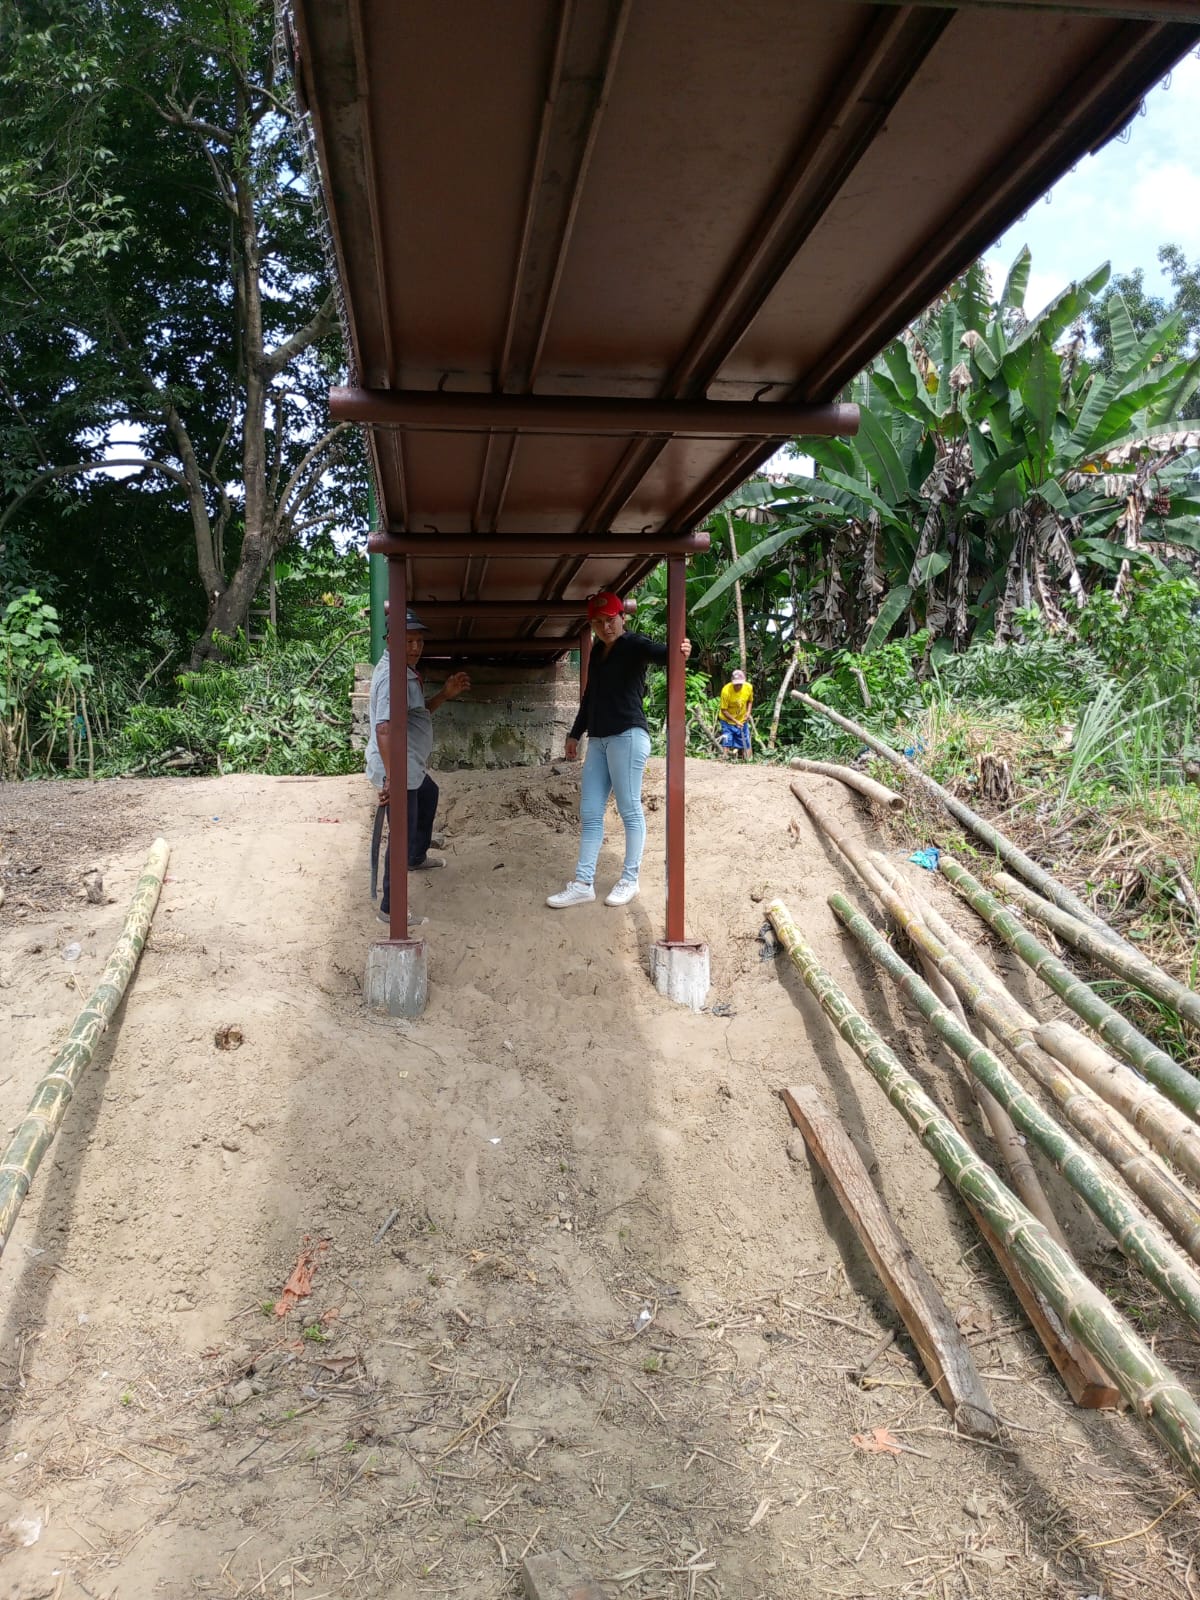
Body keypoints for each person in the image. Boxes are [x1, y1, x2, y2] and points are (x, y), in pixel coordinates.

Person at [547, 591, 691, 910]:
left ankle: (630, 879)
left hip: (628, 734)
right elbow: (590, 696)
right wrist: (575, 734)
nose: (606, 627)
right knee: (590, 812)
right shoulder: (598, 650)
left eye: (610, 620)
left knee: (629, 809)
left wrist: (681, 649)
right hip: (599, 740)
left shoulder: (634, 644)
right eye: (598, 622)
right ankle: (583, 883)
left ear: (622, 617)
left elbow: (664, 655)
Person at [365, 607, 470, 927]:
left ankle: (416, 857)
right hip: (398, 766)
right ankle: (390, 907)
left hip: (407, 763)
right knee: (401, 832)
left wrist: (445, 694)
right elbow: (384, 728)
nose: (415, 647)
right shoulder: (393, 677)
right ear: (390, 640)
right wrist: (392, 778)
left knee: (429, 794)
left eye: (419, 641)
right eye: (408, 641)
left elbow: (415, 714)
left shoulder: (404, 671)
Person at [718, 668, 754, 761]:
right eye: (736, 684)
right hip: (727, 720)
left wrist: (748, 712)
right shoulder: (726, 691)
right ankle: (725, 758)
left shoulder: (748, 687)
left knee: (745, 739)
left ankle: (747, 759)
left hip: (742, 719)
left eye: (740, 684)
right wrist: (735, 721)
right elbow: (724, 710)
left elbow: (750, 701)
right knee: (727, 738)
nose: (738, 686)